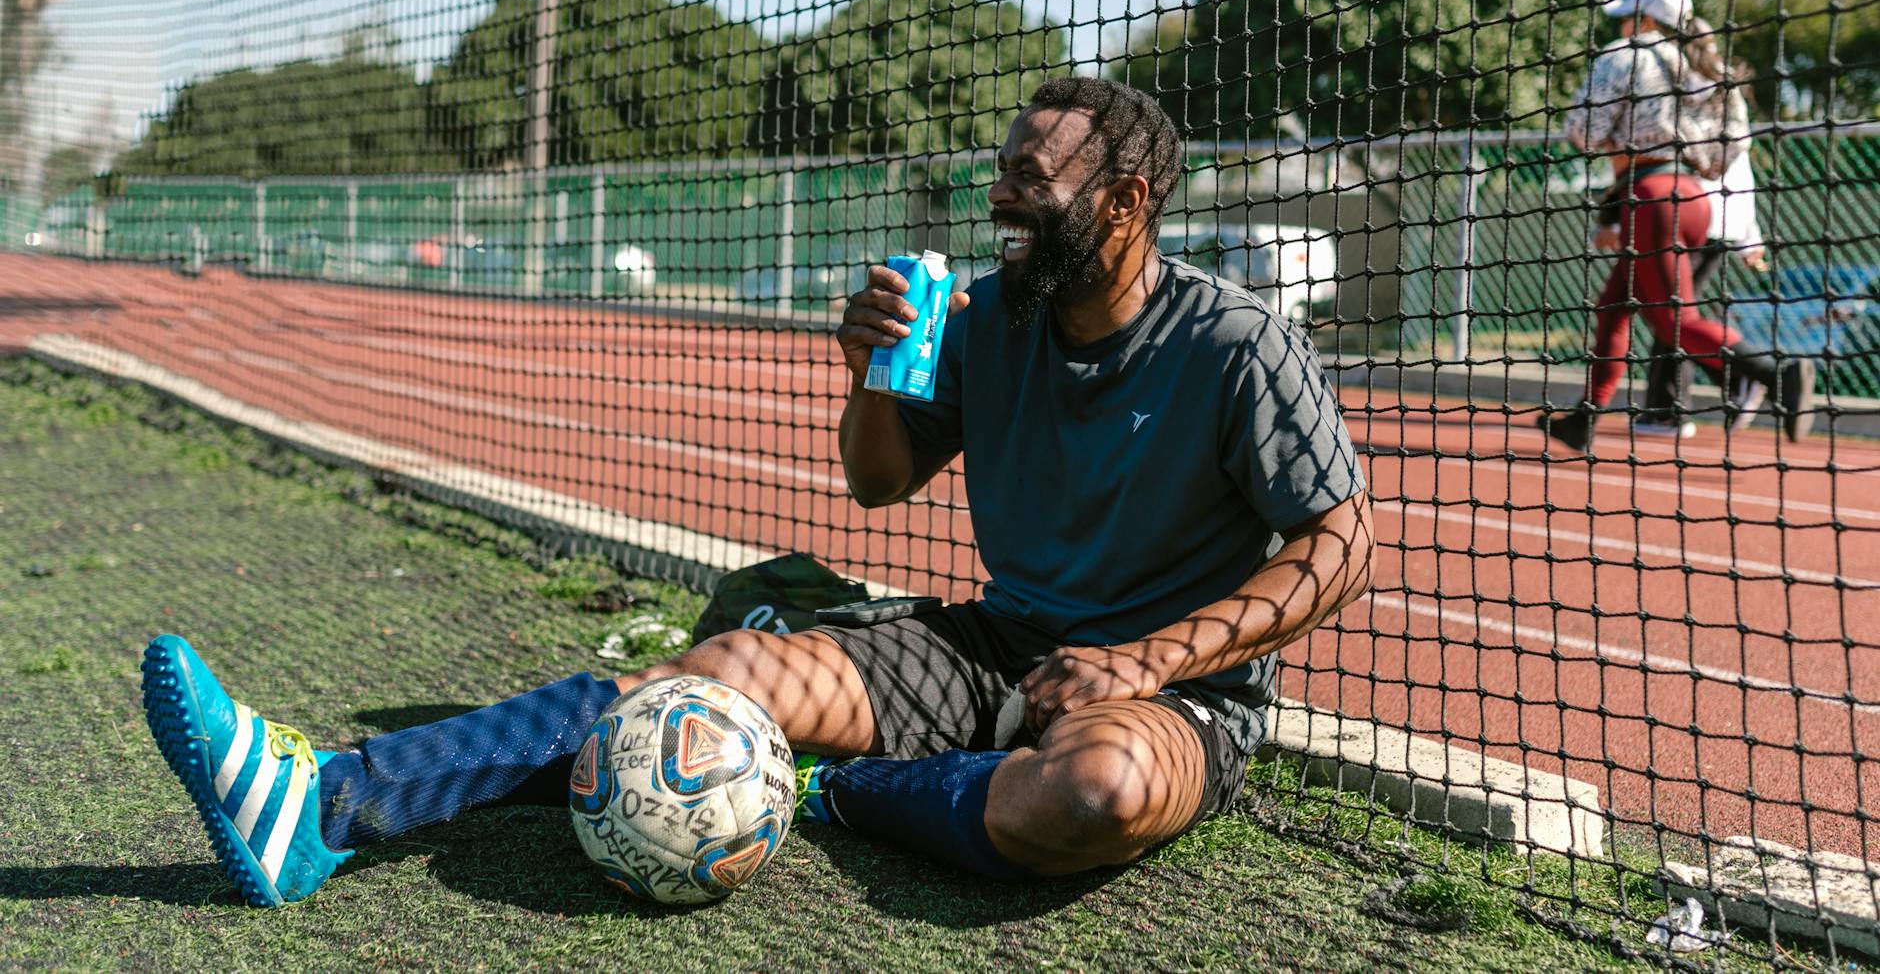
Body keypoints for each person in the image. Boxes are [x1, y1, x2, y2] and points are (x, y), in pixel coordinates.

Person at [140, 77, 1376, 906]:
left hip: (1180, 693)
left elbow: (1340, 542)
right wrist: (865, 378)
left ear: (1124, 201)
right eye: (1001, 166)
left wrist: (1143, 661)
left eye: (1032, 177)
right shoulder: (988, 315)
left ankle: (835, 789)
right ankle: (325, 800)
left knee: (1091, 794)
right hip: (998, 642)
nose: (1001, 193)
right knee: (721, 669)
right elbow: (878, 484)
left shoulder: (1234, 342)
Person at [1540, 0, 1815, 453]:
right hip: (1691, 195)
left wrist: (1617, 138)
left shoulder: (1626, 53)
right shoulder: (1701, 63)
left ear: (1646, 19)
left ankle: (1776, 372)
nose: (1623, 24)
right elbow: (1726, 151)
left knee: (1673, 322)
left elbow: (1583, 130)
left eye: (1628, 15)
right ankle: (1582, 420)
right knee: (1613, 307)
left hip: (1650, 197)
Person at [1634, 132, 1768, 438]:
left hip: (1690, 219)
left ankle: (1732, 378)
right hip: (1710, 221)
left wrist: (1751, 236)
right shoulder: (1723, 99)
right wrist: (1749, 235)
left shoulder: (1684, 101)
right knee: (1667, 314)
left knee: (1671, 316)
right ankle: (1669, 408)